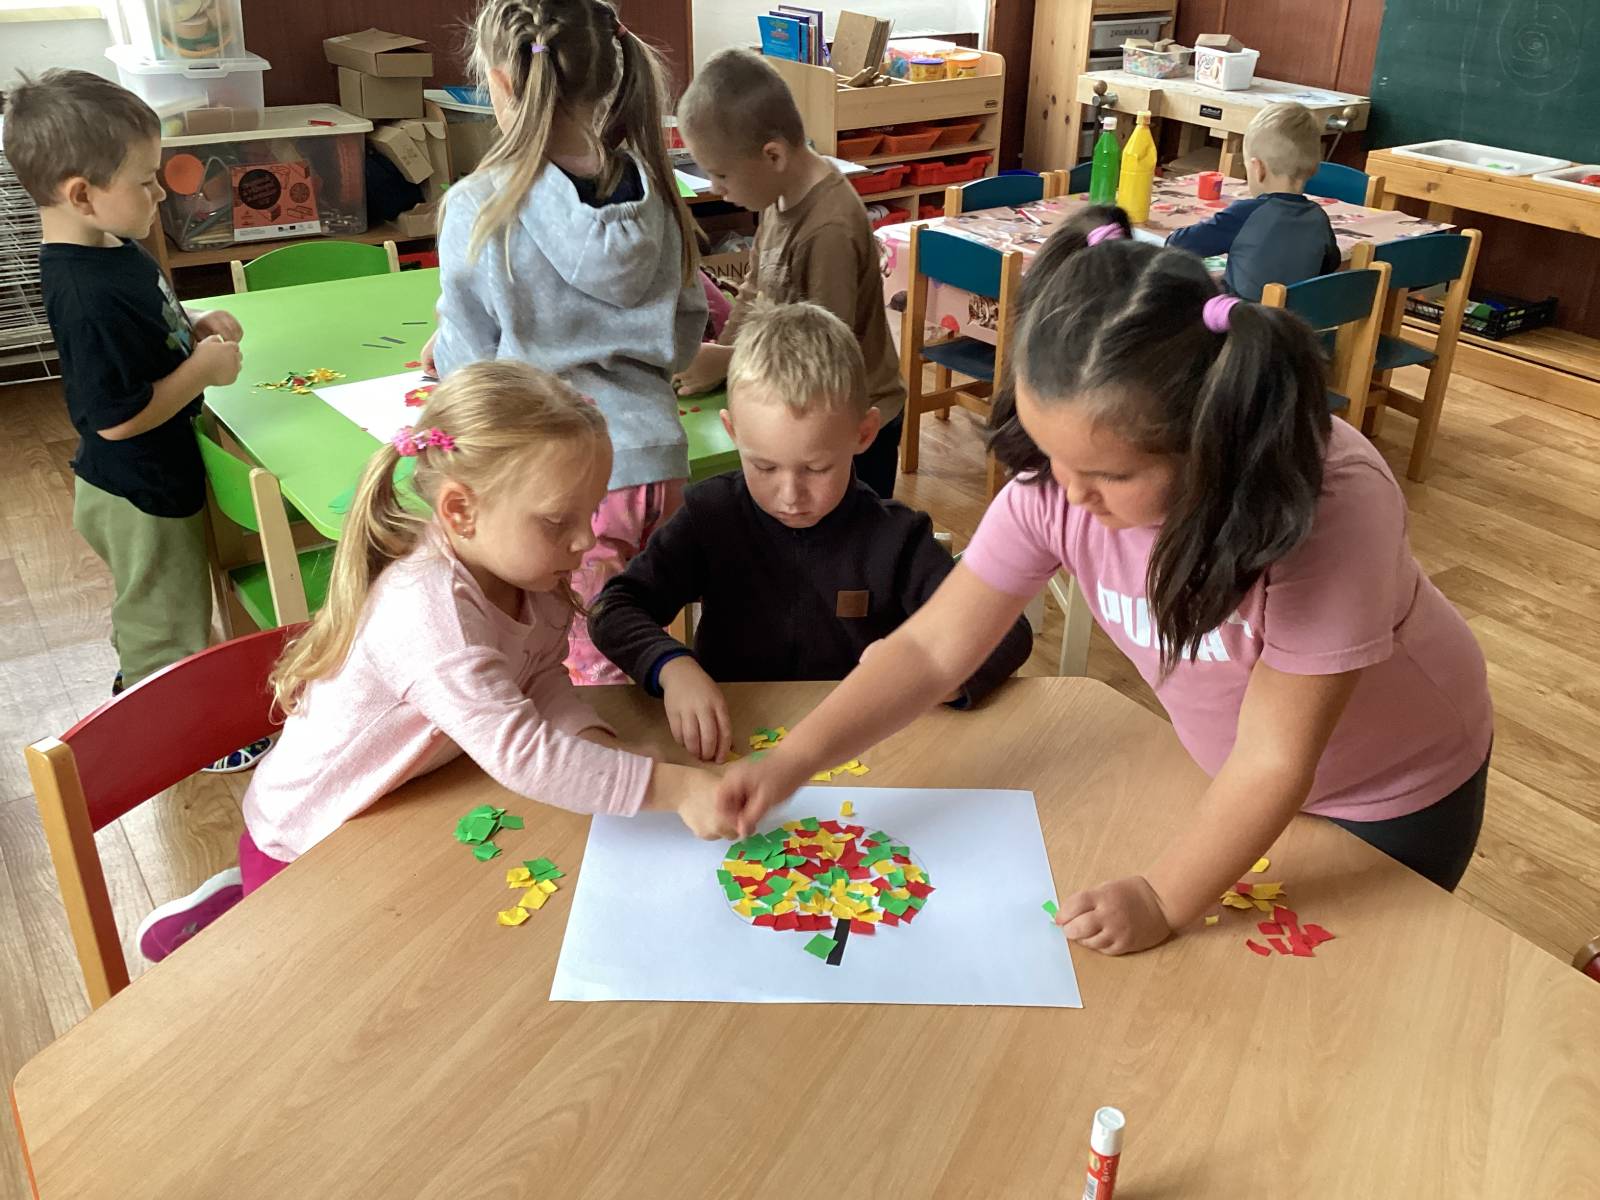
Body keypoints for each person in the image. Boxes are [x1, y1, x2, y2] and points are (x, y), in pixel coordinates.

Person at [716, 208, 1493, 957]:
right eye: (1050, 454)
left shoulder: (1326, 505)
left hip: (1392, 792)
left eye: (1108, 474)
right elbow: (930, 650)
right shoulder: (1060, 481)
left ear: (1204, 440)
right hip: (1239, 782)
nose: (1067, 493)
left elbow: (1274, 760)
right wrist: (793, 761)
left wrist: (1163, 897)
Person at [134, 362, 736, 962]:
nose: (585, 541)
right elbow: (521, 753)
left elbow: (540, 678)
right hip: (305, 841)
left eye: (592, 511)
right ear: (460, 511)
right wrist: (672, 787)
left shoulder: (532, 574)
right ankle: (237, 902)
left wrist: (594, 740)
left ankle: (239, 894)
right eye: (559, 521)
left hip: (399, 806)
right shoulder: (428, 612)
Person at [590, 301, 1032, 761]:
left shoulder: (897, 539)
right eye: (764, 466)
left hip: (861, 750)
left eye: (816, 468)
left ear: (864, 434)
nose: (790, 495)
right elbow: (612, 608)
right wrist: (672, 667)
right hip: (735, 745)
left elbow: (1007, 630)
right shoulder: (711, 517)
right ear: (732, 432)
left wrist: (934, 675)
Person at [427, 0, 707, 685]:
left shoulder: (479, 203)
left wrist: (449, 354)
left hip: (560, 482)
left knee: (586, 669)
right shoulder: (656, 189)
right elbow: (683, 335)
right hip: (659, 464)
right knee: (636, 640)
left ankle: (618, 757)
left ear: (499, 84)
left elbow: (470, 374)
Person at [2, 71, 270, 772]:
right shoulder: (82, 293)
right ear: (81, 194)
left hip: (155, 473)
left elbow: (147, 329)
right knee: (165, 618)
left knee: (162, 605)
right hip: (136, 490)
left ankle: (151, 682)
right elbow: (116, 420)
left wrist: (192, 323)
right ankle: (177, 732)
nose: (161, 194)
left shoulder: (111, 246)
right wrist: (200, 372)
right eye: (146, 181)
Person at [671, 49, 906, 500]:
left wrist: (728, 362)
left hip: (853, 426)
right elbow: (754, 290)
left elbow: (826, 351)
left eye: (721, 175)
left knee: (845, 536)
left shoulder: (829, 229)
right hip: (803, 406)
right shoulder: (777, 196)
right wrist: (722, 357)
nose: (716, 189)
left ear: (773, 155)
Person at [1166, 102, 1340, 300]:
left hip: (1242, 317)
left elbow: (1178, 245)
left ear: (1258, 169)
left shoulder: (1246, 214)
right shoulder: (1318, 217)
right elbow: (1328, 266)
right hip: (1295, 317)